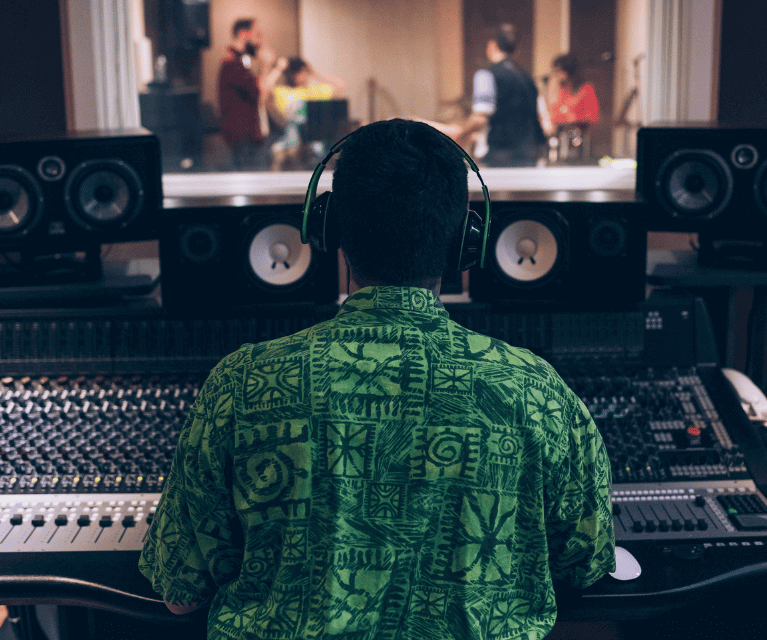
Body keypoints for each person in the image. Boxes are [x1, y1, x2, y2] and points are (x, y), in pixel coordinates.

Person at [139, 119, 615, 639]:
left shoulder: (240, 384)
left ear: (328, 230)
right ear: (464, 242)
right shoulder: (534, 390)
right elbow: (585, 563)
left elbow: (180, 590)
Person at [450, 23, 546, 167]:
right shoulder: (527, 79)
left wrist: (459, 133)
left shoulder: (486, 75)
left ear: (492, 45)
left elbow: (480, 118)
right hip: (530, 156)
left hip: (502, 156)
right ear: (516, 50)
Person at [217, 18, 276, 170]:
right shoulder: (232, 64)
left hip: (247, 137)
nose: (260, 39)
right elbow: (259, 95)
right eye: (257, 34)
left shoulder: (238, 62)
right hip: (245, 138)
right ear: (244, 34)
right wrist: (266, 65)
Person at [269, 57, 346, 170]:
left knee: (313, 111)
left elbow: (341, 86)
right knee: (298, 111)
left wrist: (315, 74)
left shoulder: (315, 91)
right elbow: (265, 88)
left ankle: (315, 152)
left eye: (303, 72)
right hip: (292, 137)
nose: (301, 75)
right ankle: (307, 149)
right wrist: (279, 68)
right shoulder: (283, 92)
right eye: (298, 72)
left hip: (315, 137)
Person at [547, 53, 601, 163]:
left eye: (558, 71)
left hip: (580, 141)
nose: (557, 75)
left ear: (567, 71)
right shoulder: (563, 90)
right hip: (562, 138)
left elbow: (594, 116)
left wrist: (573, 117)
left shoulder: (586, 89)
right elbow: (555, 113)